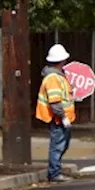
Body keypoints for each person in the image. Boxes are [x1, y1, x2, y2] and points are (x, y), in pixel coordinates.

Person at [35, 42, 76, 182]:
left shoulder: (58, 76)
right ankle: (54, 173)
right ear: (62, 60)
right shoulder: (53, 78)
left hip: (63, 118)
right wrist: (63, 117)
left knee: (62, 144)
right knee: (57, 146)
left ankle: (55, 169)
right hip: (58, 119)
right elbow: (55, 102)